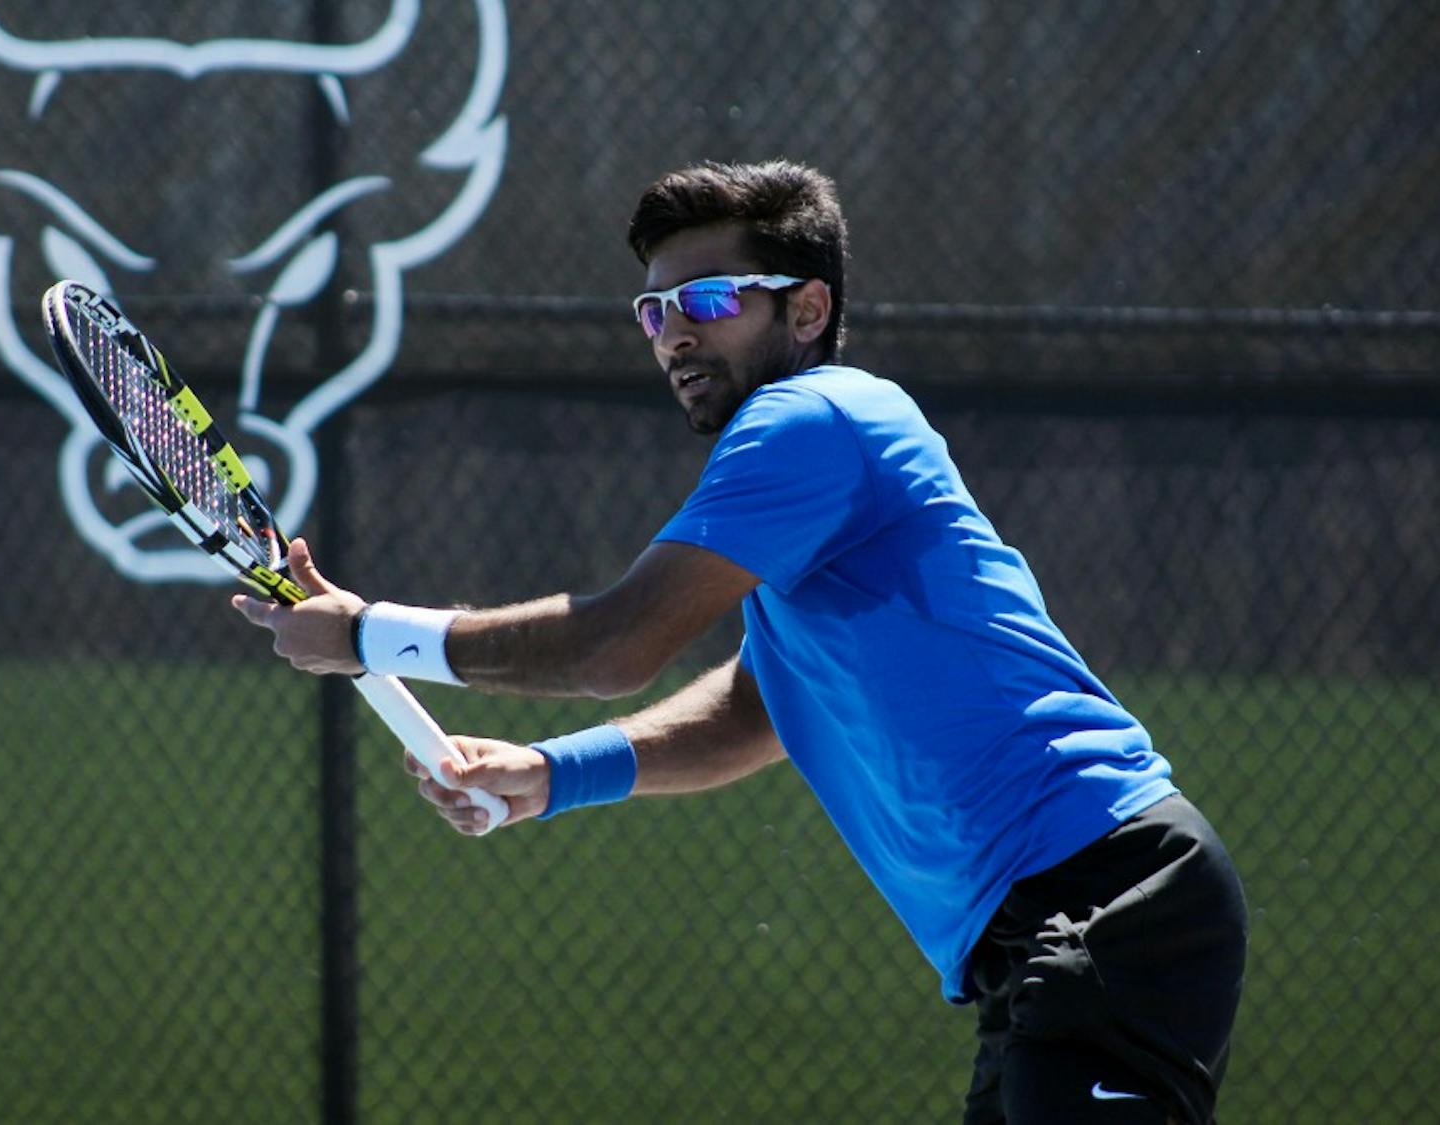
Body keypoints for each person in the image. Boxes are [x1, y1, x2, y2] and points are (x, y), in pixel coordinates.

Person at [234, 159, 1248, 1125]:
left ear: (806, 310)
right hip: (1045, 934)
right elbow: (757, 707)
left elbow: (614, 646)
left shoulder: (815, 416)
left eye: (709, 301)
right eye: (653, 309)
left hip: (1109, 896)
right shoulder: (808, 479)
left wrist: (369, 634)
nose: (674, 333)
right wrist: (550, 776)